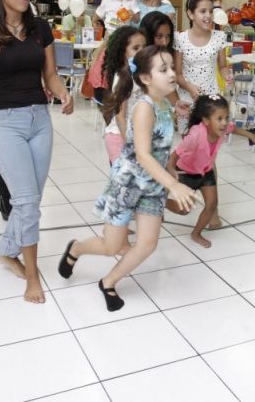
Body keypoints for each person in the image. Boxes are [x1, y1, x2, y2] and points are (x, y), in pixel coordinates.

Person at [0, 0, 74, 304]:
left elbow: (50, 75)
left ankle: (7, 250)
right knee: (27, 203)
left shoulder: (40, 27)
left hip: (39, 119)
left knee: (31, 200)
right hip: (3, 121)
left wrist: (61, 93)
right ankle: (31, 276)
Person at [57, 45, 197, 312]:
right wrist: (173, 185)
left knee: (147, 244)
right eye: (163, 69)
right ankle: (76, 248)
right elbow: (143, 155)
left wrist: (170, 167)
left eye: (171, 68)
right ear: (145, 79)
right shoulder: (143, 108)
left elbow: (161, 146)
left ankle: (108, 281)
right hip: (128, 184)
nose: (172, 74)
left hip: (153, 185)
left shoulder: (164, 104)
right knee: (112, 246)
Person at [167, 95, 255, 248]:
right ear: (206, 121)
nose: (224, 123)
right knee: (183, 211)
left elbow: (234, 128)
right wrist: (171, 170)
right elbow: (175, 154)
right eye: (219, 119)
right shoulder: (195, 135)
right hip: (186, 173)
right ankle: (161, 202)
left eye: (226, 117)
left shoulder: (223, 127)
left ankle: (196, 233)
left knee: (212, 204)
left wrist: (252, 136)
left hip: (205, 173)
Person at [174, 0, 230, 111]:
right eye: (203, 11)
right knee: (188, 130)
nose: (208, 15)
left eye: (211, 11)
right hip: (187, 101)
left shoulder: (219, 37)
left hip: (211, 100)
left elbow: (223, 67)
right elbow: (177, 75)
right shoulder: (180, 39)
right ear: (190, 14)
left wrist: (227, 76)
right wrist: (189, 87)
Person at [101, 26, 149, 164]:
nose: (142, 52)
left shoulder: (142, 75)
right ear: (123, 53)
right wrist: (131, 145)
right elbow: (120, 117)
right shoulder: (124, 77)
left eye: (144, 47)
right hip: (120, 138)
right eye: (135, 48)